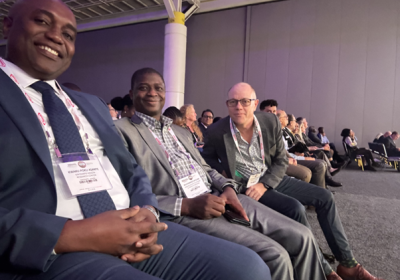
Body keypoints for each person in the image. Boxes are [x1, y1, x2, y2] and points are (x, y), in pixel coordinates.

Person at [0, 1, 273, 280]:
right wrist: (70, 234)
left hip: (134, 226)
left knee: (249, 269)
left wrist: (148, 212)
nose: (57, 36)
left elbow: (131, 170)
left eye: (69, 34)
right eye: (43, 22)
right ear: (7, 26)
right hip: (54, 249)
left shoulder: (90, 104)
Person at [115, 67, 328, 280]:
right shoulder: (121, 131)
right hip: (186, 209)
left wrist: (227, 187)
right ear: (132, 94)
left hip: (220, 195)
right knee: (276, 256)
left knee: (303, 236)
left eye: (158, 88)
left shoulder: (179, 132)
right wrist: (186, 205)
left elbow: (206, 168)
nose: (152, 93)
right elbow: (126, 191)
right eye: (144, 88)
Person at [202, 82, 384, 280]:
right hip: (246, 187)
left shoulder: (270, 122)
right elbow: (207, 158)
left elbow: (280, 159)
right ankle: (326, 270)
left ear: (255, 104)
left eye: (245, 101)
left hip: (269, 177)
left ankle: (349, 265)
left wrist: (265, 183)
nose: (239, 106)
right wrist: (224, 172)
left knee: (325, 197)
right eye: (233, 102)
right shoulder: (216, 131)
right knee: (295, 209)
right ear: (227, 104)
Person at [277, 110, 330, 188]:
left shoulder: (284, 133)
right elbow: (285, 151)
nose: (297, 126)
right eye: (285, 117)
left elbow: (287, 150)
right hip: (287, 159)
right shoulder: (281, 133)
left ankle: (324, 187)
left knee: (320, 160)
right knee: (317, 165)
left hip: (292, 156)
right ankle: (320, 192)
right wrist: (302, 157)